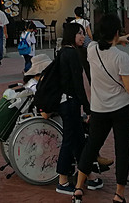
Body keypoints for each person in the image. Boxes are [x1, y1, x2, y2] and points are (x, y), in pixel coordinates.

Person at [75, 14, 129, 203]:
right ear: (116, 32)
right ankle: (119, 194)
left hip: (98, 108)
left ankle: (78, 188)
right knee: (121, 150)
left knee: (92, 146)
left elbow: (94, 43)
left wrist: (116, 39)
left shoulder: (91, 50)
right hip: (121, 109)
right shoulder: (121, 57)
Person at [54, 21, 92, 195]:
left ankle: (86, 175)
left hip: (65, 101)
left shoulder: (62, 52)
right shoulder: (73, 54)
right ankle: (62, 180)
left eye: (83, 33)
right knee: (70, 140)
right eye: (79, 33)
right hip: (70, 103)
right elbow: (78, 84)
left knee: (78, 139)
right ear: (71, 35)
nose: (83, 37)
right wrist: (87, 106)